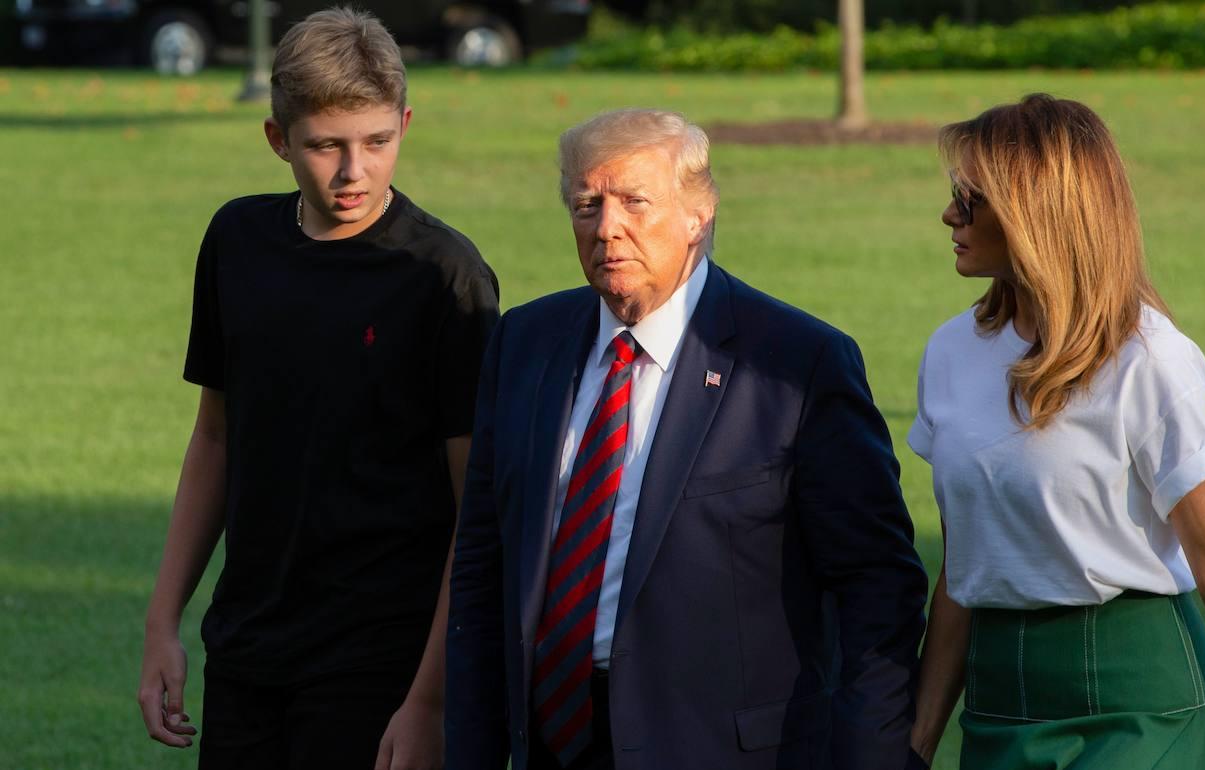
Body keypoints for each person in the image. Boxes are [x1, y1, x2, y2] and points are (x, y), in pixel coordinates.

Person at [445, 108, 929, 770]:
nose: (606, 227)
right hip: (554, 743)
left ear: (698, 213)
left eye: (633, 203)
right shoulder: (525, 344)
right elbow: (483, 562)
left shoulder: (795, 363)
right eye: (587, 205)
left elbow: (878, 588)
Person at [135, 8, 499, 769]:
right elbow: (215, 437)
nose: (353, 172)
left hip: (380, 664)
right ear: (277, 139)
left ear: (405, 122)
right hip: (247, 649)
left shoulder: (446, 278)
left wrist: (429, 700)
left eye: (376, 142)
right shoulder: (237, 241)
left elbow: (479, 514)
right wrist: (163, 622)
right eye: (325, 146)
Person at [907, 93, 1205, 769]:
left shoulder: (1149, 360)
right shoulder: (950, 352)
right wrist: (915, 743)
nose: (949, 214)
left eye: (968, 198)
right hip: (1001, 707)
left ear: (1035, 212)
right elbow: (963, 571)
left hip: (1140, 707)